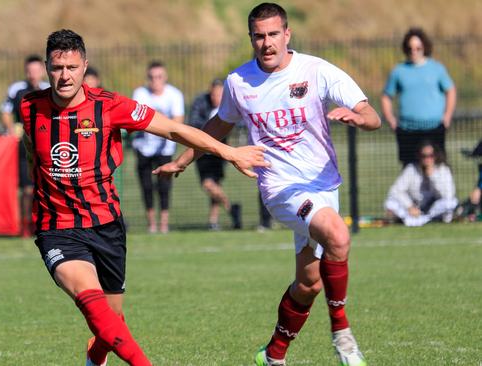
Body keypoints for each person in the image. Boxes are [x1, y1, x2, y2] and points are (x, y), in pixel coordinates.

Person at [20, 29, 267, 366]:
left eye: (72, 68)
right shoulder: (29, 106)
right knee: (92, 304)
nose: (64, 76)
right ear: (47, 68)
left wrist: (229, 152)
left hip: (106, 226)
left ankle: (95, 359)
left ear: (85, 66)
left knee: (111, 324)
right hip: (58, 228)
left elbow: (175, 130)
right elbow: (31, 150)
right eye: (57, 68)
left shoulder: (109, 106)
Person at [154, 3, 381, 365]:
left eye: (273, 34)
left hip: (324, 185)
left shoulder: (317, 71)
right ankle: (343, 334)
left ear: (287, 34)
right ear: (251, 39)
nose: (267, 43)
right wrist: (181, 161)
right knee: (338, 235)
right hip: (280, 189)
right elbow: (217, 127)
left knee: (309, 283)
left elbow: (372, 115)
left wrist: (358, 117)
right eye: (259, 36)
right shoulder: (239, 82)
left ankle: (273, 354)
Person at [381, 27, 457, 166]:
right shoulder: (399, 71)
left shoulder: (437, 69)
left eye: (418, 48)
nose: (414, 51)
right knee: (410, 172)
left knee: (438, 169)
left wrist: (447, 117)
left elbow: (450, 90)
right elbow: (386, 96)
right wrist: (391, 119)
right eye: (410, 48)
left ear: (424, 47)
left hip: (434, 128)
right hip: (407, 130)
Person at [131, 61, 185, 233]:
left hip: (165, 148)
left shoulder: (174, 94)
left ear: (165, 77)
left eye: (159, 77)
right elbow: (136, 120)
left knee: (164, 186)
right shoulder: (140, 93)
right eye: (152, 77)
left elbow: (178, 121)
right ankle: (151, 224)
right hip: (143, 147)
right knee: (146, 185)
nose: (156, 81)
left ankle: (164, 223)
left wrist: (160, 129)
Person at [0, 54, 50, 237]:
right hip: (24, 147)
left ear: (43, 71)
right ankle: (26, 226)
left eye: (36, 70)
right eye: (30, 71)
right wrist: (12, 128)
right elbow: (5, 112)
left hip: (45, 145)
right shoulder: (17, 89)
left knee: (46, 186)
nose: (33, 74)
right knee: (27, 188)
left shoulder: (50, 89)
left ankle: (44, 223)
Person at [189, 78, 242, 230]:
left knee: (215, 184)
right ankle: (231, 207)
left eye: (219, 95)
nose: (215, 98)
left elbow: (237, 123)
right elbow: (194, 122)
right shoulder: (201, 103)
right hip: (202, 152)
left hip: (219, 152)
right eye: (213, 95)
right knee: (208, 184)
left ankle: (213, 220)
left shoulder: (227, 106)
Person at [384, 141, 457, 226]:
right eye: (424, 156)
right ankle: (415, 219)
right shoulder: (411, 169)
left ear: (435, 156)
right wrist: (410, 206)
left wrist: (432, 175)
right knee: (390, 202)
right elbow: (395, 190)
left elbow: (448, 195)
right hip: (415, 208)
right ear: (419, 156)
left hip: (434, 208)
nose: (427, 159)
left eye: (431, 156)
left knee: (451, 203)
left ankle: (429, 219)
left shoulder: (443, 169)